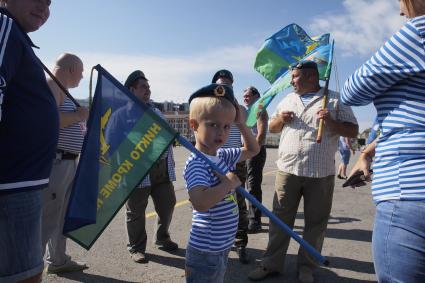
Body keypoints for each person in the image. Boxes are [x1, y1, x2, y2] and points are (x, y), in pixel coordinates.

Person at [248, 60, 358, 282]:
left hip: (320, 174)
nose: (292, 82)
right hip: (287, 170)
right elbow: (273, 128)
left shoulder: (335, 99)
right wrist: (281, 119)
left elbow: (353, 130)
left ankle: (306, 267)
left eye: (295, 77)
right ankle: (271, 264)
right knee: (280, 221)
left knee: (315, 224)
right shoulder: (288, 99)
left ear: (311, 77)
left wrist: (332, 123)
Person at [341, 1, 425, 281]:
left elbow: (353, 91)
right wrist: (368, 152)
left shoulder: (419, 31)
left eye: (402, 2)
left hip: (411, 191)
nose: (402, 12)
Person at [0, 1, 58, 283]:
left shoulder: (15, 35)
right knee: (25, 275)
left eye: (49, 2)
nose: (43, 7)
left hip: (19, 182)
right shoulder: (4, 25)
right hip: (12, 184)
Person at [183, 83, 259, 282]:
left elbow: (253, 150)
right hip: (206, 251)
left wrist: (241, 124)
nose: (221, 132)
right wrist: (228, 184)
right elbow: (200, 202)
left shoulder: (222, 155)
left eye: (226, 126)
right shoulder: (197, 163)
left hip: (222, 246)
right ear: (194, 125)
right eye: (213, 125)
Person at [119, 70, 178, 263]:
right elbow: (112, 144)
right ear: (131, 89)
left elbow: (165, 136)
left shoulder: (156, 111)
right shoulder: (122, 114)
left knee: (168, 203)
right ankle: (136, 247)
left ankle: (162, 238)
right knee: (136, 211)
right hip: (136, 171)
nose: (148, 90)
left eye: (149, 87)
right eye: (143, 87)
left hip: (161, 169)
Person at [41, 53, 89, 274]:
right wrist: (79, 116)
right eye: (81, 71)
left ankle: (58, 260)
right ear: (71, 69)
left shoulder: (61, 89)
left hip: (67, 162)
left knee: (59, 218)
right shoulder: (51, 83)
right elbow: (47, 121)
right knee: (48, 218)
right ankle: (31, 267)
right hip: (56, 162)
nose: (82, 76)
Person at [212, 69, 250, 263]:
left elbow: (246, 135)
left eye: (228, 84)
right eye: (221, 85)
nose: (225, 87)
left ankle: (241, 242)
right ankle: (219, 242)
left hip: (235, 160)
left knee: (238, 205)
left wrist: (233, 105)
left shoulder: (240, 109)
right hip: (214, 160)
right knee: (215, 202)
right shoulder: (209, 107)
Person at [242, 86, 268, 233]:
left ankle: (255, 221)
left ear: (257, 96)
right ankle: (247, 216)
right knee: (242, 184)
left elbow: (261, 133)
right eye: (244, 96)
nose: (245, 98)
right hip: (246, 151)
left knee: (252, 186)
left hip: (254, 152)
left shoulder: (259, 109)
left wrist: (253, 151)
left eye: (248, 95)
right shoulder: (248, 111)